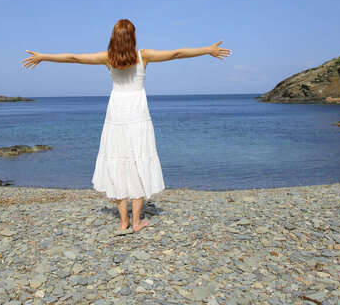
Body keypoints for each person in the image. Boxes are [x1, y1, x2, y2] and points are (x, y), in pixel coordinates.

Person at [21, 19, 231, 233]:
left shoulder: (108, 58)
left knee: (119, 165)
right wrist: (207, 50)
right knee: (138, 162)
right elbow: (176, 53)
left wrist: (43, 57)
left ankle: (123, 222)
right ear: (132, 37)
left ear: (114, 37)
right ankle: (137, 222)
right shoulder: (144, 56)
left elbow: (74, 58)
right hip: (138, 114)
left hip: (116, 115)